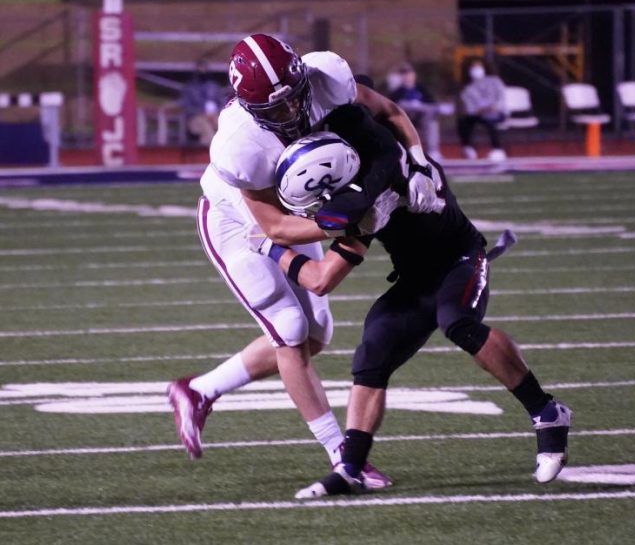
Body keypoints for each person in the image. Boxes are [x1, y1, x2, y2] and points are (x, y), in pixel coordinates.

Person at [167, 34, 440, 488]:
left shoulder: (326, 76)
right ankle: (342, 455)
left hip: (302, 211)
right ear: (247, 106)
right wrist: (350, 224)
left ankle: (197, 390)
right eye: (274, 110)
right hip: (240, 223)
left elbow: (389, 112)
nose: (290, 113)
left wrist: (419, 161)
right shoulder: (239, 145)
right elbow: (272, 228)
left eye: (294, 99)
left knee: (318, 335)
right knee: (290, 332)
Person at [388, 63, 443, 161]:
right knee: (403, 105)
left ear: (414, 75)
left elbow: (431, 104)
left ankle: (433, 151)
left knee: (432, 122)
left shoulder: (421, 89)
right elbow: (393, 106)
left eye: (409, 73)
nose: (407, 76)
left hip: (421, 118)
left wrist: (420, 106)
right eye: (404, 74)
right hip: (405, 119)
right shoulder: (397, 92)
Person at [458, 59, 507, 161]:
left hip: (497, 112)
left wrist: (495, 107)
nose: (476, 70)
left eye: (478, 66)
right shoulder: (467, 89)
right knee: (463, 121)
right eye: (473, 67)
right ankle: (468, 148)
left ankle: (497, 149)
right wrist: (481, 110)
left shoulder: (495, 81)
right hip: (479, 114)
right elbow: (470, 109)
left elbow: (502, 98)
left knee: (491, 120)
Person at [180, 60, 225, 146]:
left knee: (224, 124)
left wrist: (215, 113)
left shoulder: (213, 86)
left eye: (204, 69)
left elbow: (222, 103)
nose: (202, 72)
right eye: (200, 70)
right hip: (196, 118)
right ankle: (213, 150)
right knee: (206, 127)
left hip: (214, 115)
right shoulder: (190, 88)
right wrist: (203, 113)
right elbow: (187, 106)